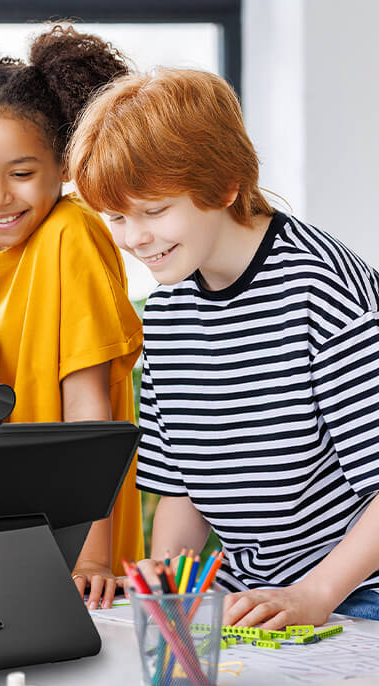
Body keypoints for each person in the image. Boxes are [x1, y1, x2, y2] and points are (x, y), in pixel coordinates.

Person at [69, 68, 379, 627]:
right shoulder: (165, 313)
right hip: (250, 599)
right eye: (116, 217)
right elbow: (180, 497)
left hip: (355, 595)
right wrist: (163, 600)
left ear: (225, 185)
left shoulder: (324, 291)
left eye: (154, 211)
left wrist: (313, 596)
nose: (133, 238)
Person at [0, 25, 145, 609]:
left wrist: (91, 556)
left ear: (63, 164)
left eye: (20, 173)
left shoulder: (72, 233)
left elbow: (90, 407)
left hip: (76, 545)